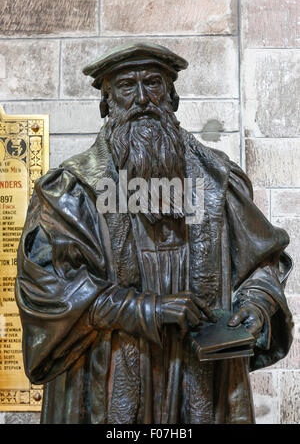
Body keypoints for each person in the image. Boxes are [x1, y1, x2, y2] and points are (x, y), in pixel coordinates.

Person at [15, 43, 293, 424]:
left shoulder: (218, 180)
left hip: (201, 375)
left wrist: (256, 305)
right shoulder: (71, 191)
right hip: (109, 373)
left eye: (153, 84)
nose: (142, 98)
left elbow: (262, 263)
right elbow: (47, 288)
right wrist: (149, 309)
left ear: (172, 96)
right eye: (127, 86)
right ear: (107, 101)